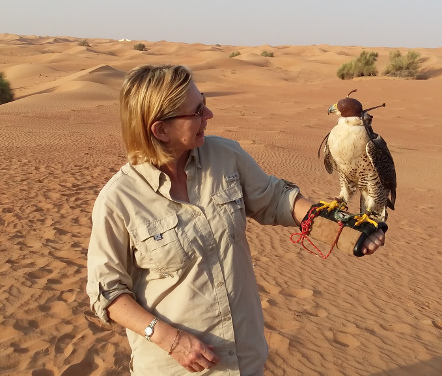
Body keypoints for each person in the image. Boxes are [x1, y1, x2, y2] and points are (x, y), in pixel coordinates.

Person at [86, 64, 385, 375]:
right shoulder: (119, 200)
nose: (209, 114)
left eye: (203, 100)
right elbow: (107, 292)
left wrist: (335, 227)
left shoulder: (227, 157)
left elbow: (276, 199)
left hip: (245, 358)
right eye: (197, 110)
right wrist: (170, 339)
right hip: (175, 367)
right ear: (161, 130)